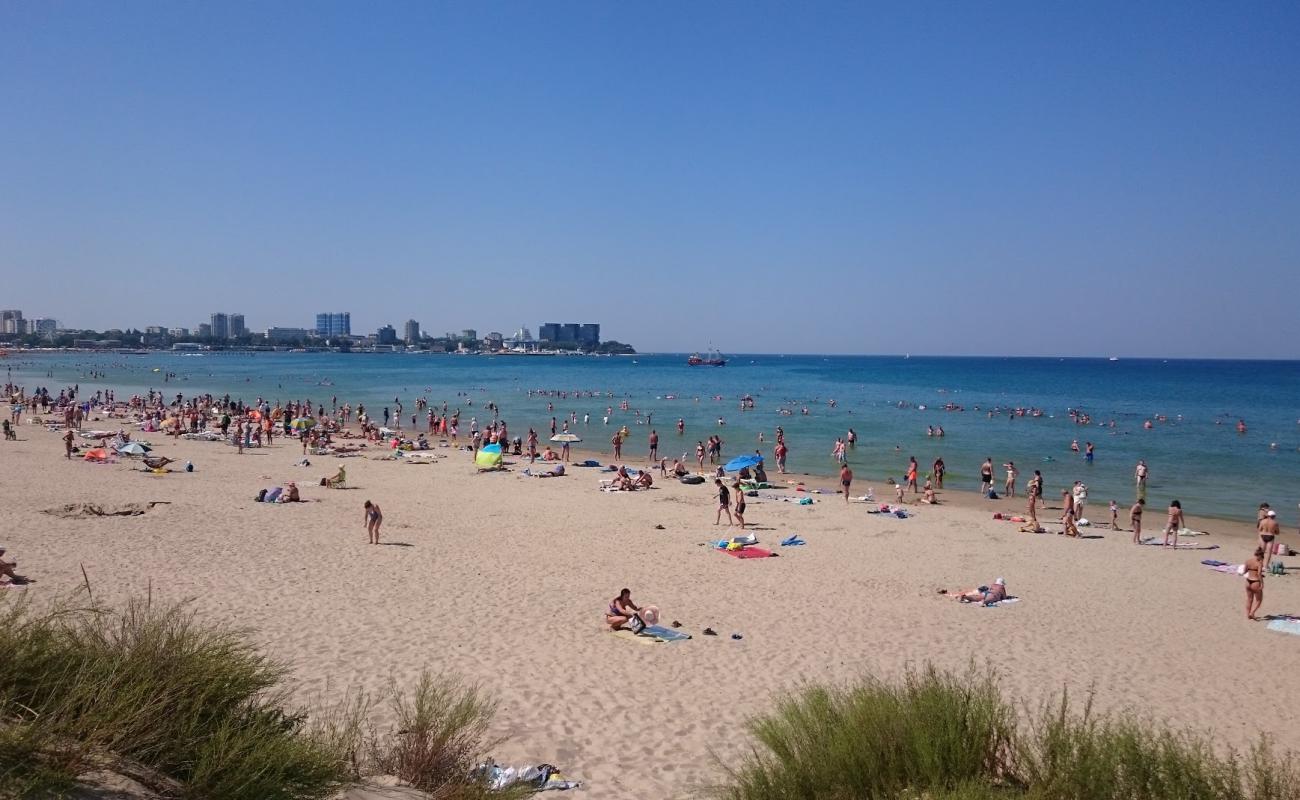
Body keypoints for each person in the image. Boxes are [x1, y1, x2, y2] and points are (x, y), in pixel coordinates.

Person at [1244, 547, 1265, 620]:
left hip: (1248, 581)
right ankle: (1252, 613)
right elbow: (1259, 574)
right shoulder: (1259, 563)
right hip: (1255, 582)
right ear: (1261, 556)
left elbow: (1244, 571)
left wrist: (1252, 572)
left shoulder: (1248, 561)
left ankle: (1247, 615)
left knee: (1249, 599)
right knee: (1259, 600)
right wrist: (1262, 583)